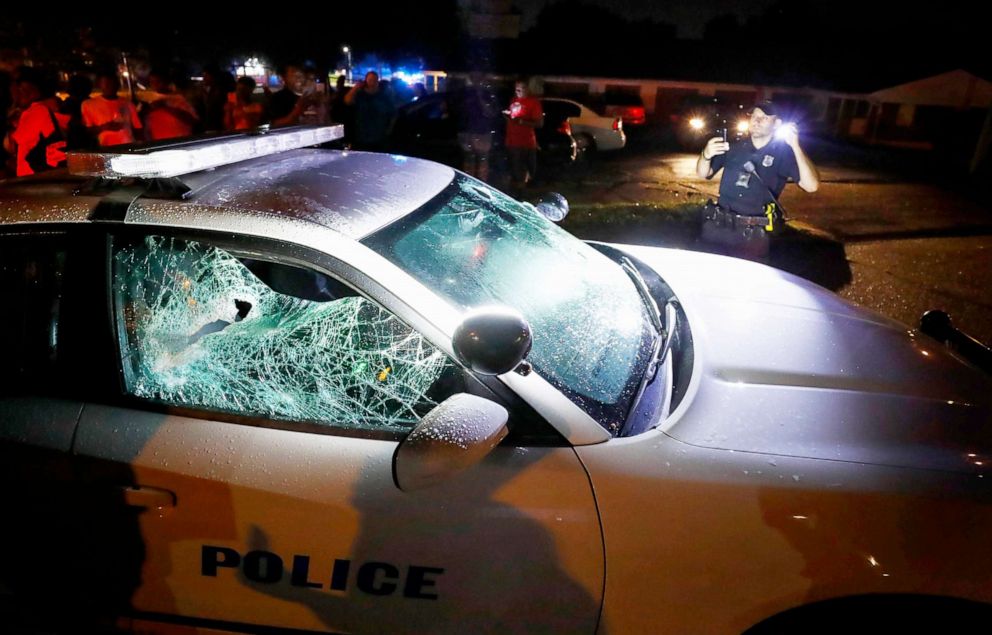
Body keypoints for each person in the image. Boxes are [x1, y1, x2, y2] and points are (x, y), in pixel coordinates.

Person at [695, 100, 820, 261]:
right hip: (717, 227)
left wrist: (796, 146)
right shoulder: (733, 147)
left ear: (777, 124)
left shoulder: (784, 155)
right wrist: (706, 154)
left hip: (752, 235)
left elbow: (812, 186)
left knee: (747, 283)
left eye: (765, 117)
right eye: (754, 116)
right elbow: (703, 173)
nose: (757, 120)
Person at [4, 67, 69, 176]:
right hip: (33, 179)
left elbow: (14, 145)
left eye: (23, 90)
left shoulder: (37, 111)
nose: (19, 92)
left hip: (34, 180)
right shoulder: (29, 112)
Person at [456, 72, 499, 182]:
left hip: (482, 132)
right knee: (469, 158)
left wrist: (480, 97)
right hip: (467, 131)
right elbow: (458, 110)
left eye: (479, 77)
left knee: (482, 158)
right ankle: (469, 181)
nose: (476, 80)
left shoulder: (486, 93)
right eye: (474, 77)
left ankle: (481, 183)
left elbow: (491, 112)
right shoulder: (465, 92)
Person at [503, 79, 543, 195]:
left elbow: (539, 124)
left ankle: (522, 194)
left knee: (524, 168)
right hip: (511, 140)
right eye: (516, 89)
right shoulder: (513, 100)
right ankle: (515, 192)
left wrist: (521, 122)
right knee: (514, 168)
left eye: (521, 89)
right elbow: (512, 118)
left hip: (525, 141)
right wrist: (508, 117)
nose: (518, 91)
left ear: (527, 89)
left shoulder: (533, 102)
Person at [82, 70, 143, 146]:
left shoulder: (127, 103)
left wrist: (140, 144)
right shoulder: (88, 104)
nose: (111, 86)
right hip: (106, 148)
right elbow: (88, 130)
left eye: (113, 83)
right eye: (107, 84)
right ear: (99, 85)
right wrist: (105, 127)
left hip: (128, 145)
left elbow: (138, 127)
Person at [344, 71, 396, 151]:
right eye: (370, 80)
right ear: (366, 81)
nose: (372, 82)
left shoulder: (384, 96)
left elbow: (393, 113)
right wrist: (355, 88)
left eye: (375, 80)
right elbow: (347, 101)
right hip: (361, 136)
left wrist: (389, 129)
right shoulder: (360, 94)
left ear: (378, 81)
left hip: (379, 136)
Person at [143, 70, 199, 141]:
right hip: (159, 143)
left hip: (179, 141)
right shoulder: (150, 103)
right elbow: (147, 127)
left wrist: (166, 105)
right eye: (152, 82)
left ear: (166, 83)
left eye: (158, 82)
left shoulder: (178, 99)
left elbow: (193, 119)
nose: (155, 86)